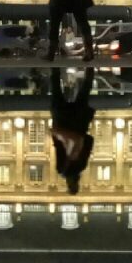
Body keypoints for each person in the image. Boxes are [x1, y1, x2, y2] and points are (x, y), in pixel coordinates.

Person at [50, 67, 95, 195]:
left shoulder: (81, 166)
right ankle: (54, 63)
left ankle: (90, 64)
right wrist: (56, 133)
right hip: (62, 123)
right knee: (55, 90)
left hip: (79, 122)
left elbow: (88, 140)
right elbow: (59, 147)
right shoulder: (61, 169)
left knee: (85, 89)